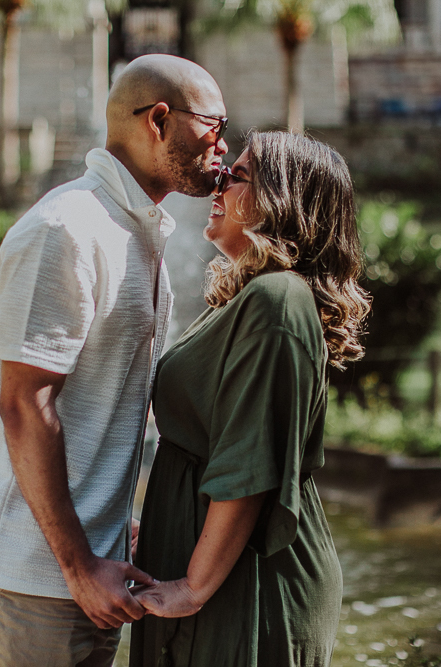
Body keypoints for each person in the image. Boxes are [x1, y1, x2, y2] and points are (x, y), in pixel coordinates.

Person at [0, 54, 229, 666]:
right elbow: (23, 403)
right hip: (23, 573)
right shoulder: (65, 229)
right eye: (212, 125)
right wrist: (79, 562)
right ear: (160, 120)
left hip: (84, 573)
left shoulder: (136, 230)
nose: (223, 145)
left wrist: (111, 531)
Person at [129, 131, 371, 667]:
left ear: (282, 200)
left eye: (237, 175)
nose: (218, 179)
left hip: (249, 581)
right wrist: (167, 522)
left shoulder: (278, 300)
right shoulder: (249, 297)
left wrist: (193, 587)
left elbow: (248, 461)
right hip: (217, 564)